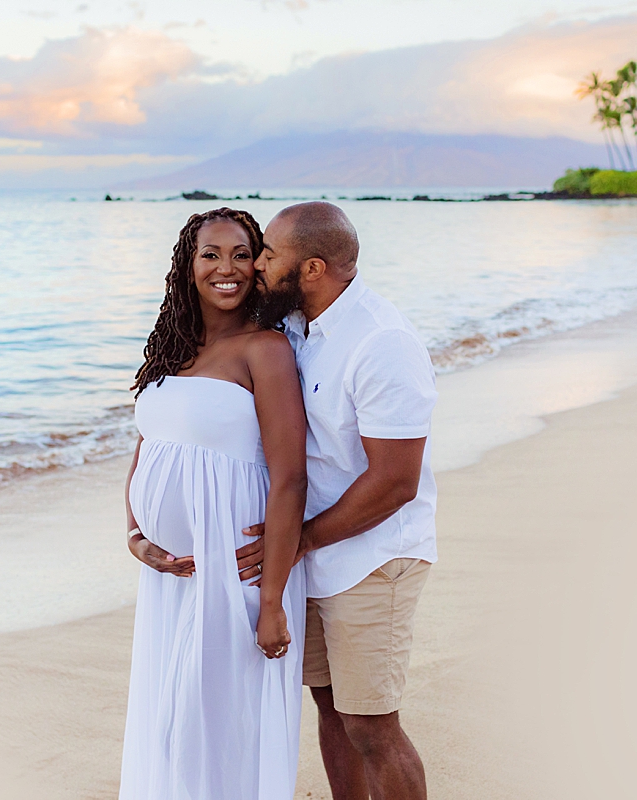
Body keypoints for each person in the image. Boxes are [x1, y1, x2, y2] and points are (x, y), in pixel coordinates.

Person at [237, 202, 438, 800]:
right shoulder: (297, 325)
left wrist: (301, 539)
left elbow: (397, 479)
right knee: (331, 710)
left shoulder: (382, 342)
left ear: (314, 268)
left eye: (269, 255)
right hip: (319, 556)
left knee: (372, 726)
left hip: (373, 557)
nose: (257, 266)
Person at [119, 208, 309, 800]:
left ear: (259, 266)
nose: (226, 269)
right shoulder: (172, 350)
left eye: (241, 254)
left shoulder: (266, 350)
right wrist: (136, 534)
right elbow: (147, 450)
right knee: (171, 723)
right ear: (188, 266)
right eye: (211, 255)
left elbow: (291, 479)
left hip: (240, 572)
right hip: (172, 575)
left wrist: (272, 599)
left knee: (221, 726)